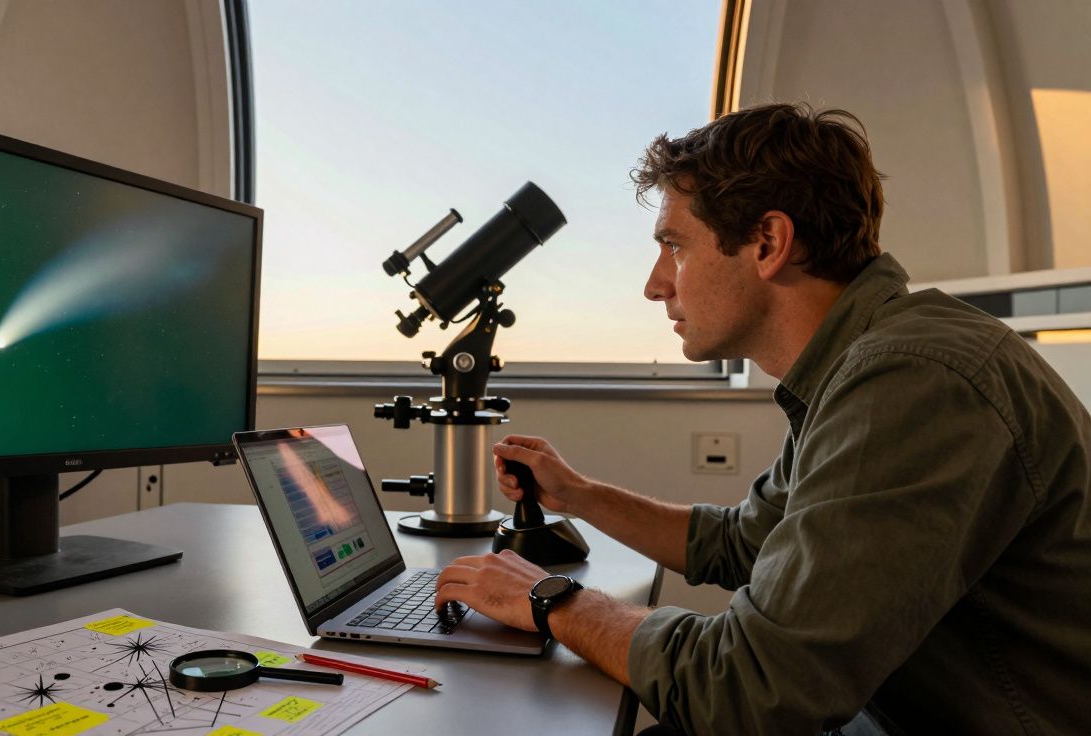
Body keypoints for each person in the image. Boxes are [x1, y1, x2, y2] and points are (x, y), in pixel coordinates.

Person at [432, 103, 1091, 734]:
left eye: (675, 246)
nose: (655, 283)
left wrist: (553, 600)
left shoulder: (916, 379)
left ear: (769, 241)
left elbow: (753, 690)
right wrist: (578, 493)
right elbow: (740, 545)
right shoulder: (859, 367)